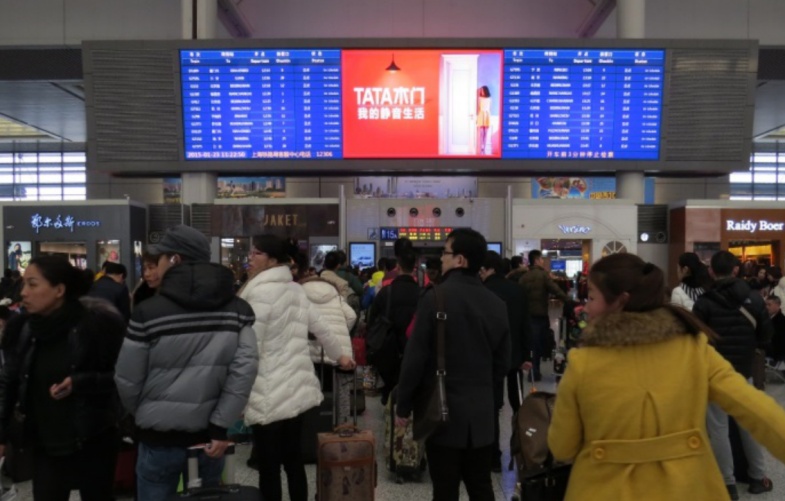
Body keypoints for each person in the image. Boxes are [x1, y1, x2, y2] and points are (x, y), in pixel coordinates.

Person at [114, 224, 259, 501]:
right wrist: (220, 425)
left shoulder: (148, 312)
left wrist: (145, 414)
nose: (154, 266)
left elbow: (127, 379)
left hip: (158, 439)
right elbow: (244, 371)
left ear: (175, 259)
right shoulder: (238, 310)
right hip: (210, 440)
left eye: (160, 258)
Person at [396, 229, 510, 501]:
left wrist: (404, 403)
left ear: (460, 259)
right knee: (481, 485)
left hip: (442, 412)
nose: (442, 258)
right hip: (482, 415)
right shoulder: (497, 304)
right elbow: (502, 363)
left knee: (445, 488)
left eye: (446, 252)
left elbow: (415, 357)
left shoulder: (434, 298)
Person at [239, 234, 354, 501]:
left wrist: (237, 392)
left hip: (267, 391)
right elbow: (321, 328)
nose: (250, 258)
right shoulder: (295, 290)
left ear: (273, 260)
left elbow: (249, 348)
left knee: (269, 466)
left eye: (256, 253)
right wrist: (341, 356)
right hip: (296, 389)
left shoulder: (258, 293)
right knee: (293, 460)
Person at [0, 256, 126, 500]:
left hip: (93, 438)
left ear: (59, 290)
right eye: (24, 284)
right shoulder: (23, 329)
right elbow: (9, 381)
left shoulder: (97, 324)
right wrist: (2, 433)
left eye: (33, 284)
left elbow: (122, 377)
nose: (23, 292)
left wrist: (80, 382)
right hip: (45, 443)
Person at [692, 250, 774, 498]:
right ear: (736, 270)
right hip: (744, 371)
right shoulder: (754, 299)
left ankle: (727, 484)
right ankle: (758, 477)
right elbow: (765, 335)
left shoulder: (704, 302)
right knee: (748, 424)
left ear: (711, 271)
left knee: (718, 428)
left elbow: (696, 340)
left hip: (714, 372)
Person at [479, 250, 532, 473]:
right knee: (517, 403)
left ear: (487, 269)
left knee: (492, 407)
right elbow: (525, 324)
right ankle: (523, 450)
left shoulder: (483, 291)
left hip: (491, 358)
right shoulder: (518, 290)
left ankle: (493, 456)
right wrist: (527, 356)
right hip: (515, 357)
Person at [367, 250, 420, 405]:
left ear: (398, 267)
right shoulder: (422, 293)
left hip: (388, 347)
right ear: (414, 268)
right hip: (413, 347)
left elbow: (372, 320)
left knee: (389, 386)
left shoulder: (386, 292)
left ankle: (389, 408)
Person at [519, 249, 571, 381]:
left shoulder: (524, 277)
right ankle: (536, 371)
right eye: (541, 259)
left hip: (527, 315)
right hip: (540, 314)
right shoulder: (543, 275)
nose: (543, 261)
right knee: (540, 343)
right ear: (537, 260)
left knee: (532, 344)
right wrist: (568, 300)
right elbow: (555, 290)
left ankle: (533, 371)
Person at [301, 272, 356, 393]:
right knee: (335, 383)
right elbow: (352, 316)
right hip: (337, 349)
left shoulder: (300, 294)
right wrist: (342, 330)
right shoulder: (336, 296)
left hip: (310, 346)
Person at [766, 295, 785, 365]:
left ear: (777, 305)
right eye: (766, 304)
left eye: (769, 305)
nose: (766, 307)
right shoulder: (767, 319)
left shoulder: (782, 322)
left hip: (776, 358)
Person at [476, 85, 492, 155]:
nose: (481, 92)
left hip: (487, 115)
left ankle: (484, 147)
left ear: (485, 91)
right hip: (481, 114)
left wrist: (488, 114)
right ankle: (481, 146)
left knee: (486, 132)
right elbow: (479, 108)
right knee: (481, 132)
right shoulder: (479, 98)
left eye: (482, 90)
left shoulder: (489, 98)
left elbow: (490, 108)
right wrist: (477, 118)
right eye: (481, 90)